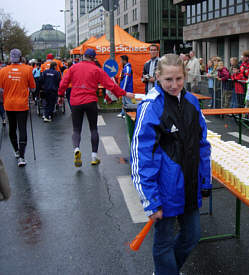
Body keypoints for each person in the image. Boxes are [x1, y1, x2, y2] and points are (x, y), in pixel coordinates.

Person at [130, 54, 211, 275]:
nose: (174, 85)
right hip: (164, 189)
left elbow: (203, 144)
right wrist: (150, 199)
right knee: (164, 242)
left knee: (192, 236)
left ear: (185, 76)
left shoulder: (192, 102)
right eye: (168, 80)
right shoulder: (150, 106)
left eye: (178, 79)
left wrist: (205, 180)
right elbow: (141, 157)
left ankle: (167, 271)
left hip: (191, 185)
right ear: (157, 77)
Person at [57, 49, 134, 167]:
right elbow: (110, 85)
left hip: (76, 101)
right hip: (90, 101)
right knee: (93, 128)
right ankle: (94, 156)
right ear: (94, 58)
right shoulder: (97, 70)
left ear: (84, 56)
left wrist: (60, 95)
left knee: (76, 129)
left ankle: (76, 149)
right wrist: (124, 93)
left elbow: (64, 83)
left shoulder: (73, 68)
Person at [0, 49, 36, 167]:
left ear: (10, 58)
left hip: (8, 104)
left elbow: (0, 90)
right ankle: (22, 156)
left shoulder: (3, 71)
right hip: (22, 105)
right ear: (21, 58)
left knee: (12, 129)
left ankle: (16, 150)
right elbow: (33, 88)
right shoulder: (27, 69)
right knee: (22, 129)